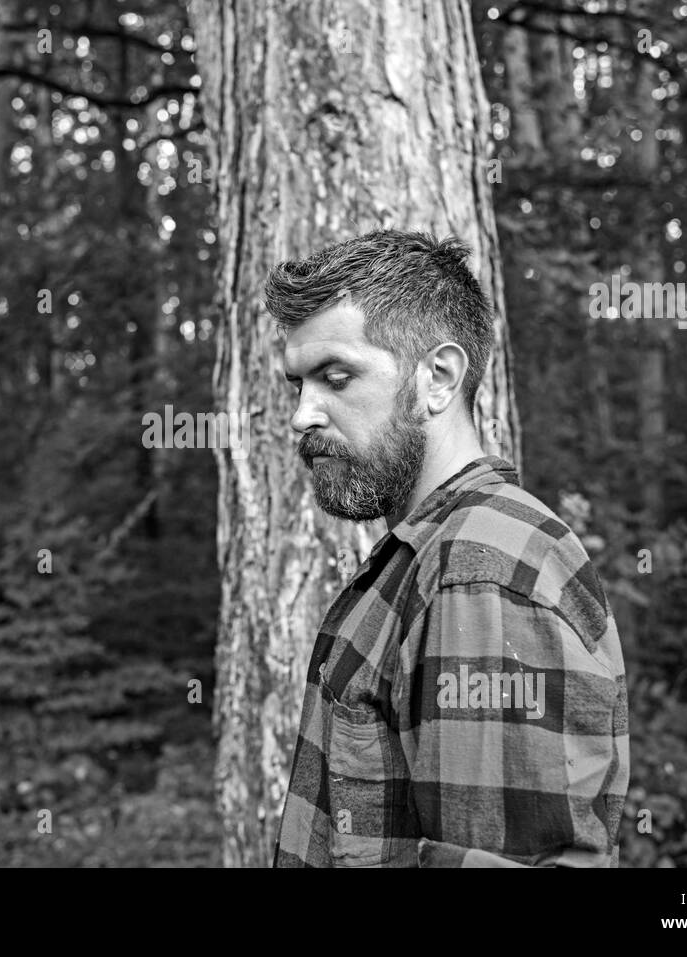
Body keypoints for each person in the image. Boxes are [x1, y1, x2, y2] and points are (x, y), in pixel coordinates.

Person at [268, 229, 629, 867]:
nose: (302, 414)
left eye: (336, 377)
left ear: (437, 378)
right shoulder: (425, 553)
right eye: (298, 385)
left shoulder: (479, 572)